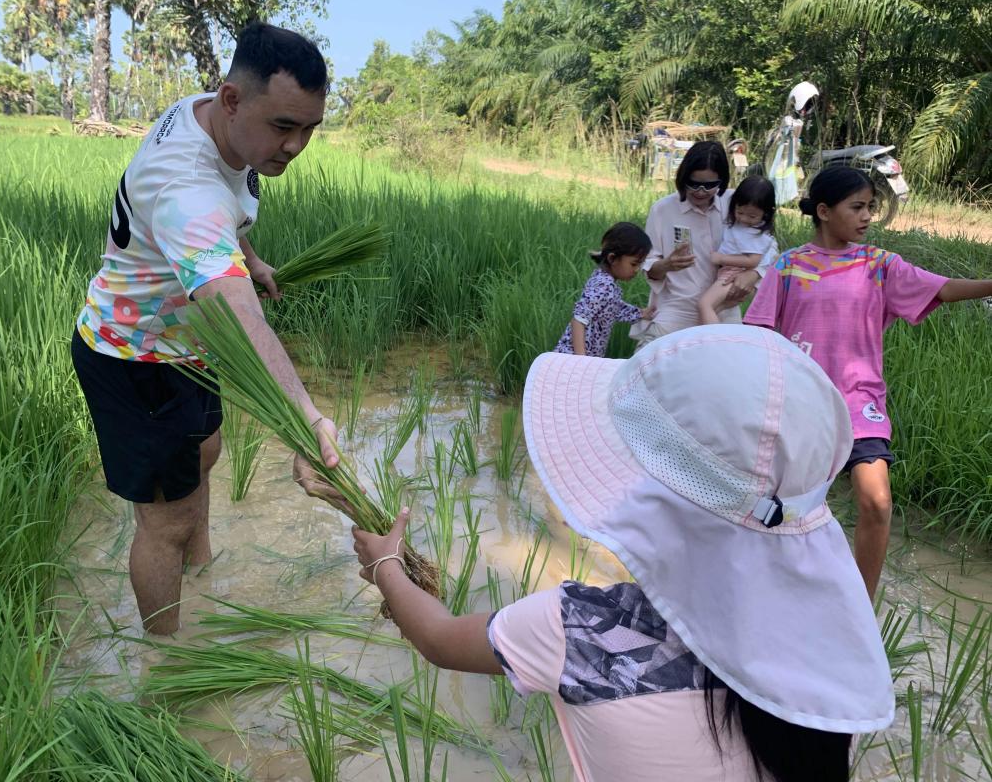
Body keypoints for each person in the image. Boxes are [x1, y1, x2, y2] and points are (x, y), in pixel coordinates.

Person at [352, 325, 895, 782]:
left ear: (654, 506)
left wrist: (386, 565)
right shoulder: (830, 654)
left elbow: (438, 639)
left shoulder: (587, 630)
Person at [71, 23, 341, 635]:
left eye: (309, 128)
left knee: (205, 454)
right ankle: (166, 658)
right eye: (284, 126)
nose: (295, 146)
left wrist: (251, 257)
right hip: (135, 356)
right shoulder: (184, 187)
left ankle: (202, 576)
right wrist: (308, 420)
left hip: (188, 344)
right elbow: (240, 315)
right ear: (233, 100)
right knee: (164, 521)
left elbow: (227, 212)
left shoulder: (212, 119)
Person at [744, 166, 992, 598]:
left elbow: (943, 288)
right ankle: (772, 590)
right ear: (824, 211)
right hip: (802, 404)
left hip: (861, 402)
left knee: (877, 503)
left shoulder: (879, 265)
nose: (867, 216)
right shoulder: (789, 266)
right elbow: (759, 334)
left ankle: (861, 606)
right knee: (779, 509)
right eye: (857, 207)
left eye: (870, 207)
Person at [630, 141, 764, 349]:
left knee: (726, 365)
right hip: (676, 310)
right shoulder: (663, 210)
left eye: (710, 185)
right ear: (683, 177)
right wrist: (666, 265)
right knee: (649, 362)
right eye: (693, 184)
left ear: (722, 180)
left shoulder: (736, 204)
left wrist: (753, 275)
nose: (701, 191)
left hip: (724, 309)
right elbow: (648, 265)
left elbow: (767, 247)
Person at [555, 222, 657, 356]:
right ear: (612, 258)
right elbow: (578, 320)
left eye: (640, 264)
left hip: (586, 357)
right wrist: (581, 359)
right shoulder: (603, 285)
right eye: (634, 264)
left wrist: (640, 313)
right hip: (573, 357)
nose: (637, 269)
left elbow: (612, 308)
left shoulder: (607, 282)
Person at [697, 175, 778, 325]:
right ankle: (714, 332)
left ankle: (714, 336)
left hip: (734, 274)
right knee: (714, 309)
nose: (744, 219)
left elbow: (753, 261)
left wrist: (721, 259)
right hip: (731, 273)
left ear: (766, 214)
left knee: (705, 305)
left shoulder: (755, 233)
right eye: (740, 212)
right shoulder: (745, 227)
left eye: (752, 216)